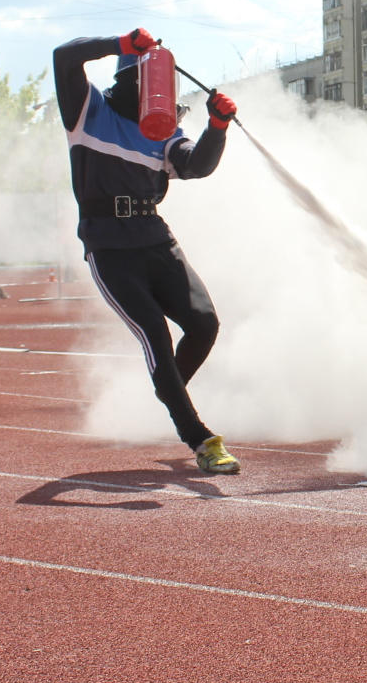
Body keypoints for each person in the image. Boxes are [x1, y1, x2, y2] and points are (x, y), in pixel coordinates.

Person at [55, 28, 241, 475]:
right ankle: (200, 437)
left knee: (204, 325)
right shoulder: (87, 110)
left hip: (156, 238)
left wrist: (217, 128)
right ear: (128, 81)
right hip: (109, 246)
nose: (158, 95)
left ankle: (168, 390)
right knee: (155, 333)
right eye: (150, 83)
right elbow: (64, 56)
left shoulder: (164, 131)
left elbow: (196, 166)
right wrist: (119, 43)